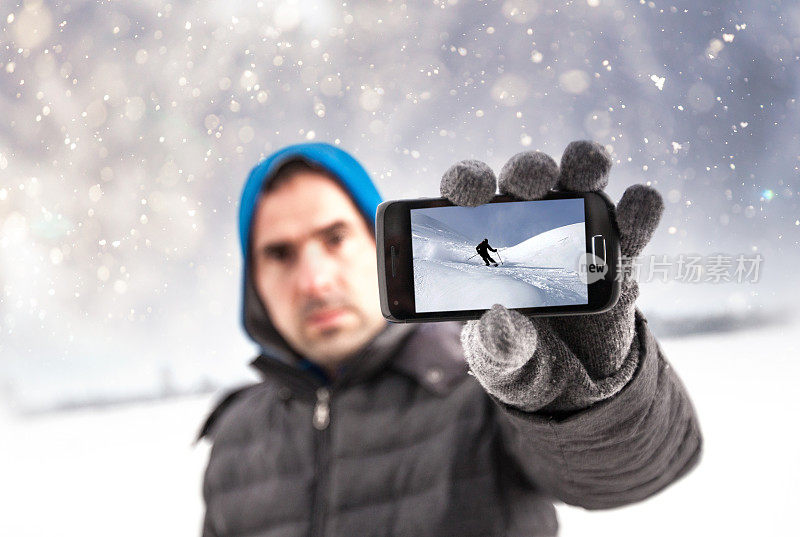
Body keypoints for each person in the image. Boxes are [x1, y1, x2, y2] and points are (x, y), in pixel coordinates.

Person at [197, 141, 702, 537]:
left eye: (334, 238)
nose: (314, 280)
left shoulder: (486, 385)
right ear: (254, 284)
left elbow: (629, 473)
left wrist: (583, 390)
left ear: (379, 243)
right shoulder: (235, 436)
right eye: (280, 254)